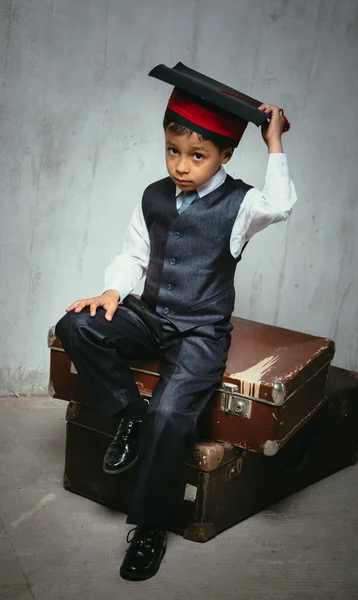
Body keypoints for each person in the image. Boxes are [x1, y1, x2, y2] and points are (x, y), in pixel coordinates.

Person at [55, 62, 297, 581]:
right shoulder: (153, 195)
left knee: (171, 416)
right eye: (173, 150)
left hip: (199, 333)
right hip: (150, 316)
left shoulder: (242, 203)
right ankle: (126, 413)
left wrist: (273, 140)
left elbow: (281, 204)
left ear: (226, 156)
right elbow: (134, 253)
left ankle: (148, 526)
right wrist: (112, 291)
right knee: (76, 326)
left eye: (197, 156)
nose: (181, 166)